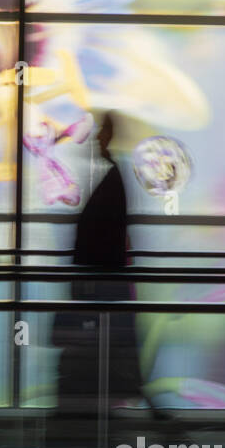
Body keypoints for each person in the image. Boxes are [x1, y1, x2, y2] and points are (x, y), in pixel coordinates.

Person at [54, 111, 154, 418]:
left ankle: (81, 410)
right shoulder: (112, 176)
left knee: (90, 347)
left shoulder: (110, 177)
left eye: (103, 131)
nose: (97, 137)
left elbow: (103, 235)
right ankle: (102, 405)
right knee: (104, 349)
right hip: (102, 282)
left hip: (98, 282)